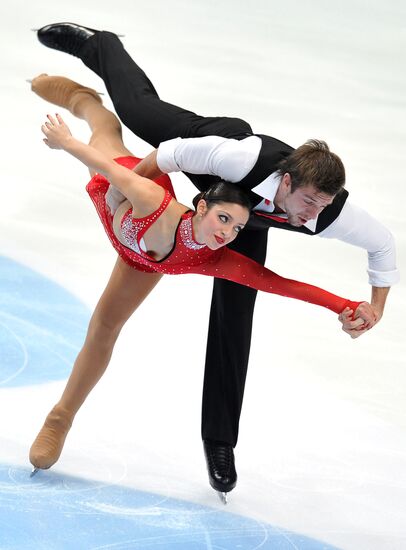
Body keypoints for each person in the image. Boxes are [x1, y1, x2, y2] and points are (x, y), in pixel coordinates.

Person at [34, 23, 399, 498]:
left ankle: (219, 442)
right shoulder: (235, 157)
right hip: (198, 158)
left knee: (237, 307)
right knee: (136, 112)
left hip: (231, 220)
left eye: (324, 207)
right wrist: (129, 196)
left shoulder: (323, 210)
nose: (316, 217)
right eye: (311, 204)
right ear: (287, 184)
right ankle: (99, 45)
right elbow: (166, 156)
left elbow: (382, 247)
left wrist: (370, 307)